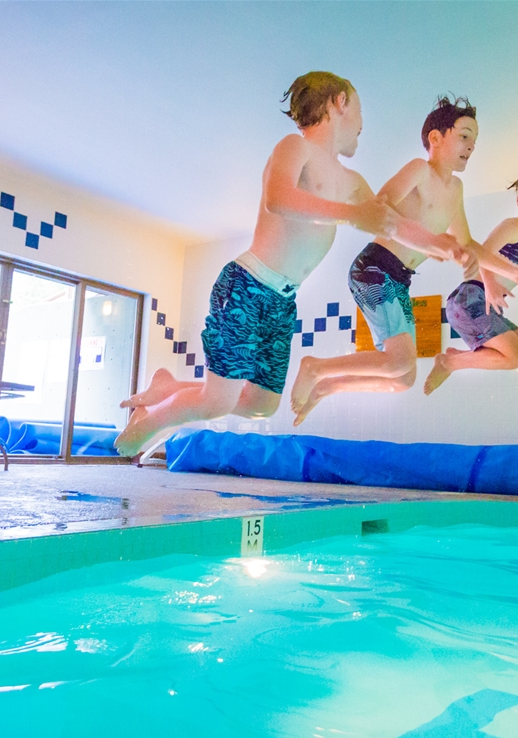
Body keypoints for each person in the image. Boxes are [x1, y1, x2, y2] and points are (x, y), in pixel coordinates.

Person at [115, 72, 466, 457]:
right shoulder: (295, 147)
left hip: (282, 302)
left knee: (260, 405)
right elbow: (278, 199)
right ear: (340, 103)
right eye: (360, 110)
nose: (363, 124)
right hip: (247, 285)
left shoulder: (351, 182)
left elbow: (391, 223)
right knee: (217, 401)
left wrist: (437, 243)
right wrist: (352, 214)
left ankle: (168, 388)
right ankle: (146, 424)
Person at [289, 96, 518, 424]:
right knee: (397, 361)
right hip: (375, 267)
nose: (471, 146)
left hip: (399, 280)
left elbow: (468, 242)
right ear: (436, 138)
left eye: (475, 140)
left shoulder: (455, 190)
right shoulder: (419, 170)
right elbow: (380, 206)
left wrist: (516, 273)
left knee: (402, 378)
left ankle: (328, 386)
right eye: (464, 136)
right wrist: (433, 242)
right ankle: (314, 367)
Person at [423, 169, 518, 395]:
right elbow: (481, 254)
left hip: (486, 304)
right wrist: (490, 285)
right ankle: (448, 362)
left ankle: (454, 357)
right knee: (516, 355)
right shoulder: (512, 227)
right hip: (470, 299)